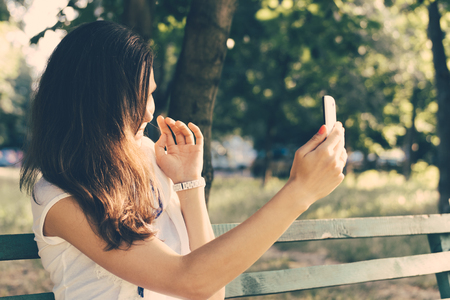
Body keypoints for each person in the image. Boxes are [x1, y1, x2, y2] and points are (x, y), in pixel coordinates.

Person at [20, 20, 347, 300]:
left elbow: (212, 292)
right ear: (99, 101)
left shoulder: (148, 158)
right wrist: (299, 192)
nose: (150, 110)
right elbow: (190, 280)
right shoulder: (61, 195)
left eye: (151, 93)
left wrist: (189, 182)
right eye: (142, 96)